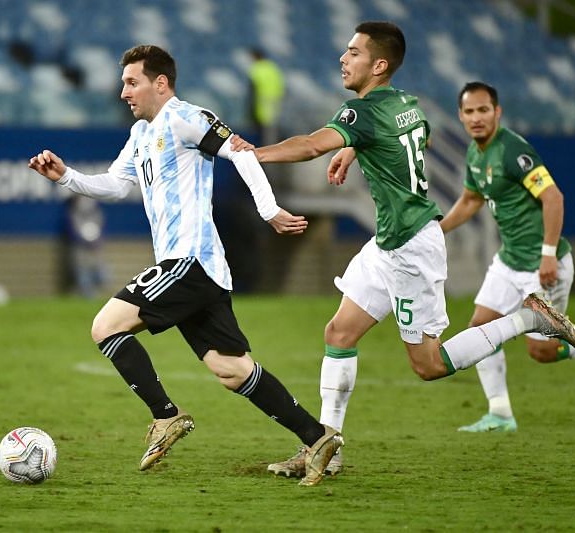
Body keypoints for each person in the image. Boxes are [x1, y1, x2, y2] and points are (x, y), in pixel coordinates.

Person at [230, 21, 575, 479]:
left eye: (353, 52)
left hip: (412, 248)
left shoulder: (363, 113)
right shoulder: (406, 104)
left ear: (378, 65)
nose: (343, 58)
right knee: (339, 333)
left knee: (429, 365)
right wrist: (356, 150)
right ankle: (325, 449)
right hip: (390, 242)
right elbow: (421, 137)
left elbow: (312, 145)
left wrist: (253, 154)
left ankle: (529, 318)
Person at [28, 44, 342, 486]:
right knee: (231, 369)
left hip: (190, 261)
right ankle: (316, 438)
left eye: (131, 82)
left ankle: (166, 416)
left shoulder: (188, 117)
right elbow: (117, 185)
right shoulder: (140, 135)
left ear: (161, 83)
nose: (123, 93)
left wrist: (269, 210)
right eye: (123, 83)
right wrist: (65, 176)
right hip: (195, 269)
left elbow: (242, 153)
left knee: (106, 326)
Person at [438, 81, 575, 432]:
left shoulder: (513, 150)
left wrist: (548, 254)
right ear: (460, 115)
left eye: (483, 110)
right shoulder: (475, 154)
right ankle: (500, 413)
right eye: (469, 111)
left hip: (544, 264)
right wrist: (436, 231)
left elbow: (554, 198)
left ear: (497, 112)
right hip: (509, 260)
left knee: (542, 352)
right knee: (479, 328)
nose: (476, 117)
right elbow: (471, 200)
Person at [248, 48, 285, 147]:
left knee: (264, 129)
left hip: (262, 100)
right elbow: (280, 83)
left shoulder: (257, 68)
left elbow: (253, 87)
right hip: (274, 99)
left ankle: (265, 153)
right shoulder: (272, 67)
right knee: (272, 127)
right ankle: (274, 149)